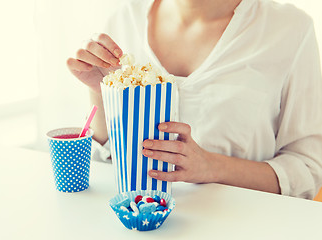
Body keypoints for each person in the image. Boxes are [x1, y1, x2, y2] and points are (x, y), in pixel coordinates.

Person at [66, 0, 322, 199]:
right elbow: (107, 158)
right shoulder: (123, 20)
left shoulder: (290, 30)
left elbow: (308, 169)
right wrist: (102, 92)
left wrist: (212, 166)